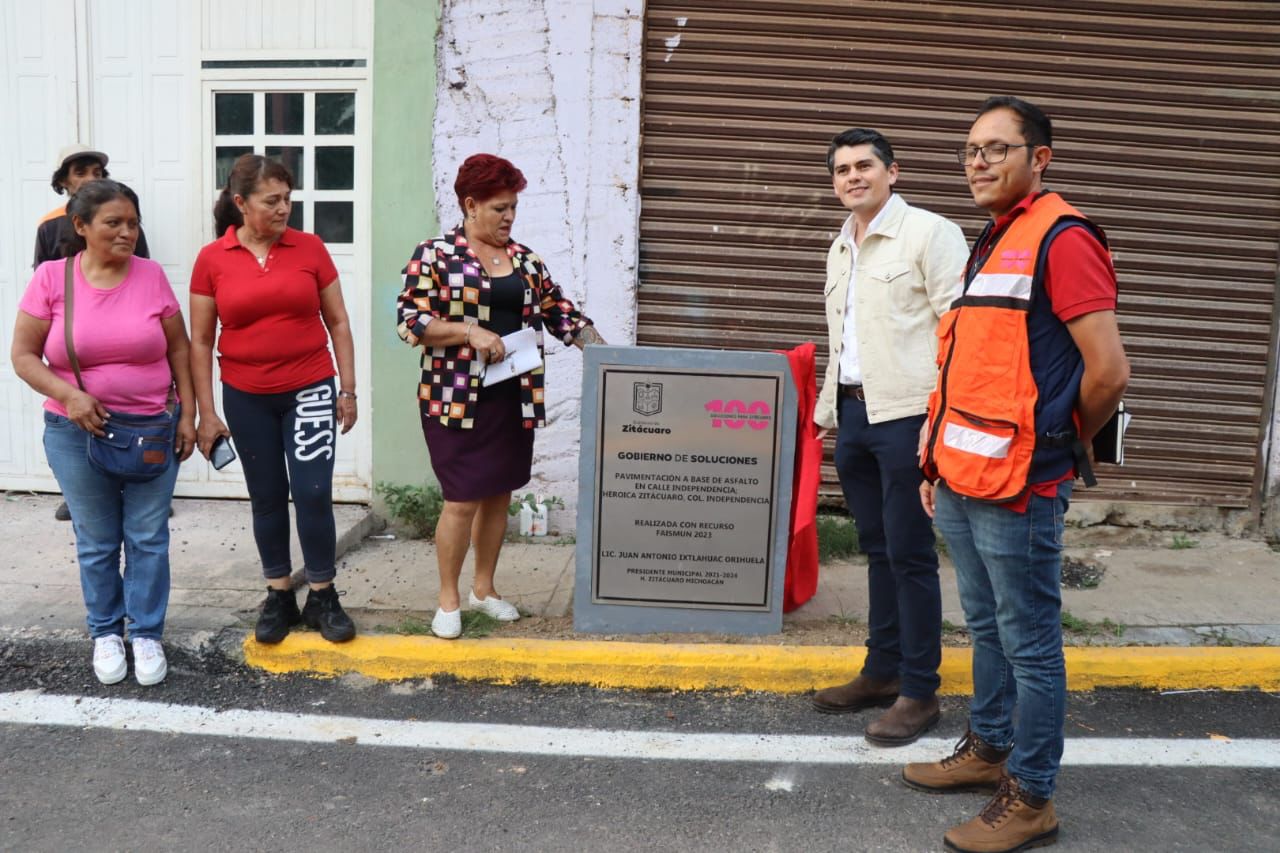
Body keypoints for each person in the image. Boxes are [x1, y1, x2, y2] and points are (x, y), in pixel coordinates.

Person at [909, 97, 1129, 853]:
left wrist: (1059, 447)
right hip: (964, 478)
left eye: (997, 149)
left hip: (1022, 485)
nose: (978, 161)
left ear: (1040, 159)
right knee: (988, 628)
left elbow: (1109, 371)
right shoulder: (995, 236)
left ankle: (1032, 794)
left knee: (1030, 643)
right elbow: (969, 365)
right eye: (970, 149)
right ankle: (989, 746)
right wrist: (935, 458)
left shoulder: (1062, 239)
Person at [395, 153, 605, 639]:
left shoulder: (526, 260)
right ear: (470, 205)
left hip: (514, 396)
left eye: (513, 208)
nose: (509, 217)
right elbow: (412, 322)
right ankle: (448, 599)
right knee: (462, 499)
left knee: (498, 496)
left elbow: (560, 313)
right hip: (456, 398)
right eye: (499, 208)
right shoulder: (434, 255)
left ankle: (484, 590)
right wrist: (470, 332)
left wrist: (606, 354)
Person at [809, 129, 969, 745]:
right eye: (842, 169)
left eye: (865, 165)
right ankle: (881, 672)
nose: (853, 176)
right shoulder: (840, 246)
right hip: (855, 416)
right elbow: (843, 339)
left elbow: (960, 331)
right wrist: (827, 414)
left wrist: (941, 417)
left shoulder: (929, 234)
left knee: (910, 554)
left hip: (909, 417)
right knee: (875, 548)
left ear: (893, 172)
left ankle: (920, 689)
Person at [11, 179, 195, 686]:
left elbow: (180, 350)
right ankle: (106, 632)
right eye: (113, 222)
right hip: (76, 434)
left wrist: (188, 414)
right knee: (96, 539)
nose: (127, 232)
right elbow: (23, 356)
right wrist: (69, 396)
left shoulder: (151, 275)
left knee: (147, 538)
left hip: (153, 430)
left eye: (132, 223)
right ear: (81, 226)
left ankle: (146, 633)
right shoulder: (52, 278)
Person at [189, 153, 358, 646]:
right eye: (272, 200)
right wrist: (207, 413)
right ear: (241, 203)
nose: (284, 208)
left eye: (287, 198)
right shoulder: (212, 259)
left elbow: (339, 322)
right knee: (266, 497)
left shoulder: (310, 249)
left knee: (311, 493)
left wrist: (346, 388)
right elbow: (200, 341)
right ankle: (279, 593)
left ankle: (323, 594)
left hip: (309, 386)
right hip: (246, 396)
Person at [35, 144, 152, 522]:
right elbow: (39, 292)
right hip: (76, 344)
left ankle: (143, 483)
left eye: (98, 172)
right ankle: (80, 492)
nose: (92, 179)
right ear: (63, 182)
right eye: (81, 172)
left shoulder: (125, 221)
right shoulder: (50, 225)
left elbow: (141, 273)